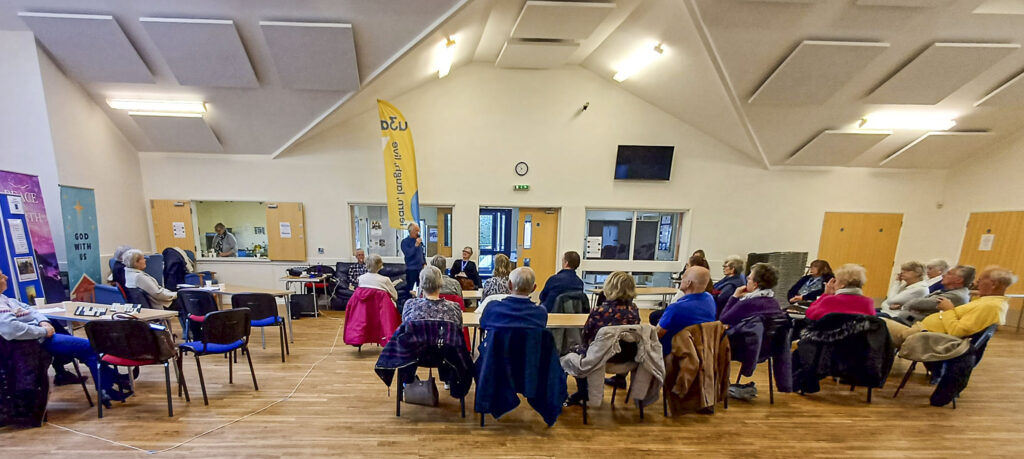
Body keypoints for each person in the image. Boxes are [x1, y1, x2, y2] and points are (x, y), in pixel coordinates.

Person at [0, 273, 126, 406]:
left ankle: (108, 386)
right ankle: (110, 385)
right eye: (2, 276)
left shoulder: (5, 298)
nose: (6, 277)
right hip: (33, 343)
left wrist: (43, 321)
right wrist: (43, 331)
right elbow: (11, 329)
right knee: (90, 347)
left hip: (41, 335)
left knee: (87, 350)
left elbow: (31, 309)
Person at [886, 267, 1016, 347]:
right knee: (875, 322)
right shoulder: (988, 302)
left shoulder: (990, 306)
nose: (976, 283)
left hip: (925, 337)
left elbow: (958, 331)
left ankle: (875, 374)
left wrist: (948, 310)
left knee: (875, 323)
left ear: (993, 284)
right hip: (921, 330)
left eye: (980, 280)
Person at [566, 271, 640, 401]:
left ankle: (583, 392)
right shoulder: (634, 311)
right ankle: (620, 379)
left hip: (600, 360)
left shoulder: (599, 312)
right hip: (627, 360)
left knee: (569, 351)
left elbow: (587, 337)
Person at [656, 266, 716, 356]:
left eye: (682, 278)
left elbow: (657, 334)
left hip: (676, 352)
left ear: (688, 283)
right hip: (702, 350)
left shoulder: (676, 308)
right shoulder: (709, 299)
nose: (680, 280)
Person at [892, 265, 974, 325]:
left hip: (915, 324)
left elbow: (919, 303)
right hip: (906, 317)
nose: (943, 275)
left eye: (949, 273)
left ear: (958, 280)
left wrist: (903, 307)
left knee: (881, 322)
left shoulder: (957, 296)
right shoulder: (950, 291)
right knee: (880, 318)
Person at [479, 267, 547, 329]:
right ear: (534, 288)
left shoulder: (492, 307)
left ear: (509, 285)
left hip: (499, 342)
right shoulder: (540, 312)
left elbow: (483, 325)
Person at [720, 262, 785, 327]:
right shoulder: (774, 302)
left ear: (755, 284)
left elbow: (723, 319)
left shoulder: (747, 303)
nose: (747, 281)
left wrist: (735, 297)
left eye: (749, 279)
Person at [803, 264, 875, 320]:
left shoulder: (830, 300)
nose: (834, 283)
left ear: (842, 285)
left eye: (836, 280)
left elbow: (810, 314)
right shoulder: (868, 302)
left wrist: (826, 294)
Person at [400, 223, 426, 294]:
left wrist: (424, 262)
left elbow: (421, 253)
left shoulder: (418, 241)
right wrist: (416, 245)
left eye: (419, 230)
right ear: (411, 231)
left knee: (421, 289)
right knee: (410, 290)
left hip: (420, 269)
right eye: (416, 231)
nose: (418, 232)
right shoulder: (404, 242)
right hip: (411, 270)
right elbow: (408, 254)